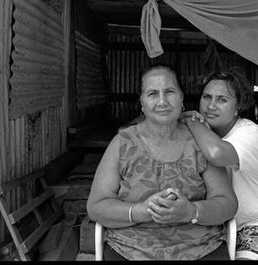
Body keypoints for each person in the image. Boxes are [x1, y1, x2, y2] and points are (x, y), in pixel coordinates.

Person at [87, 64, 238, 260]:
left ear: (181, 98)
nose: (162, 101)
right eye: (152, 94)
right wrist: (142, 211)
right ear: (141, 102)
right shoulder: (122, 143)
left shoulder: (198, 141)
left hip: (200, 247)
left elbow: (227, 203)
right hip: (131, 249)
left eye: (169, 91)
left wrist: (191, 211)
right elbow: (96, 206)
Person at [181, 68, 258, 260]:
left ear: (237, 107)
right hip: (213, 224)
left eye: (222, 100)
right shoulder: (200, 133)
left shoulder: (250, 132)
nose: (211, 105)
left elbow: (217, 154)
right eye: (207, 97)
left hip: (255, 224)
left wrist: (190, 119)